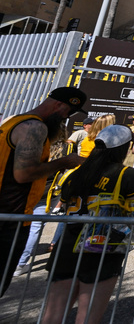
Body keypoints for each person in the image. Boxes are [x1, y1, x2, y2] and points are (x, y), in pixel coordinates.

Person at [40, 125, 134, 324]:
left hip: (67, 245)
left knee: (53, 315)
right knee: (88, 317)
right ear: (122, 148)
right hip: (101, 248)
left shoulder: (75, 174)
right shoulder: (127, 175)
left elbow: (64, 201)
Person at [0, 87, 86, 297]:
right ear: (60, 106)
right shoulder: (34, 128)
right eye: (68, 113)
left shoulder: (14, 121)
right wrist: (64, 162)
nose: (66, 118)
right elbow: (23, 174)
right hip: (10, 216)